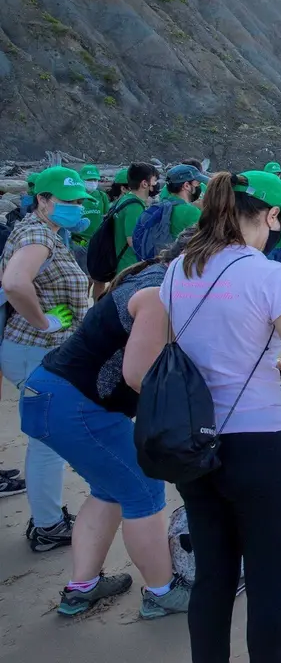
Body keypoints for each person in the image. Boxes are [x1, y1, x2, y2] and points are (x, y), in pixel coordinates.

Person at [162, 170, 281, 662]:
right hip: (259, 443)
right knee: (267, 584)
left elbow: (188, 350)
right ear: (271, 216)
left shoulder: (180, 270)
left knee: (212, 578)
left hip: (195, 444)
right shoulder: (268, 274)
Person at [19, 233, 197, 618]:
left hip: (48, 395)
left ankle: (82, 588)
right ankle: (162, 592)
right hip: (75, 405)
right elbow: (139, 376)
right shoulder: (158, 296)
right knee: (143, 489)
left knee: (111, 489)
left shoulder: (151, 277)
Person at [1, 166, 93, 551]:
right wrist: (43, 322)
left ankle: (47, 520)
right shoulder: (38, 235)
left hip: (34, 350)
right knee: (47, 443)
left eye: (78, 202)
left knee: (46, 440)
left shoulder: (41, 231)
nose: (74, 208)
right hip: (35, 350)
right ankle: (48, 526)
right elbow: (14, 282)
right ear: (42, 200)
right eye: (67, 201)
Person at [110, 162, 158, 277]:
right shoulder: (134, 206)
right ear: (144, 184)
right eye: (154, 180)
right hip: (129, 266)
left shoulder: (125, 199)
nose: (156, 184)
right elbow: (133, 240)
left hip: (122, 263)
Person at [162, 163, 207, 237]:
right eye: (198, 184)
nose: (199, 187)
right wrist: (204, 211)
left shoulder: (165, 204)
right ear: (186, 186)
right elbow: (208, 237)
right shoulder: (191, 211)